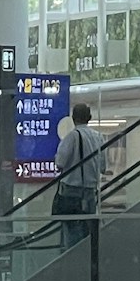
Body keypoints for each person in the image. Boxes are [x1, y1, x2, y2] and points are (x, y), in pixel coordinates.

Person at [52, 101, 101, 259]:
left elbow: (60, 162)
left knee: (71, 235)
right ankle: (88, 265)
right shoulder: (98, 137)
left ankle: (72, 264)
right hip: (91, 192)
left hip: (71, 192)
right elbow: (103, 166)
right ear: (90, 117)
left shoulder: (72, 137)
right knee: (88, 234)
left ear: (73, 118)